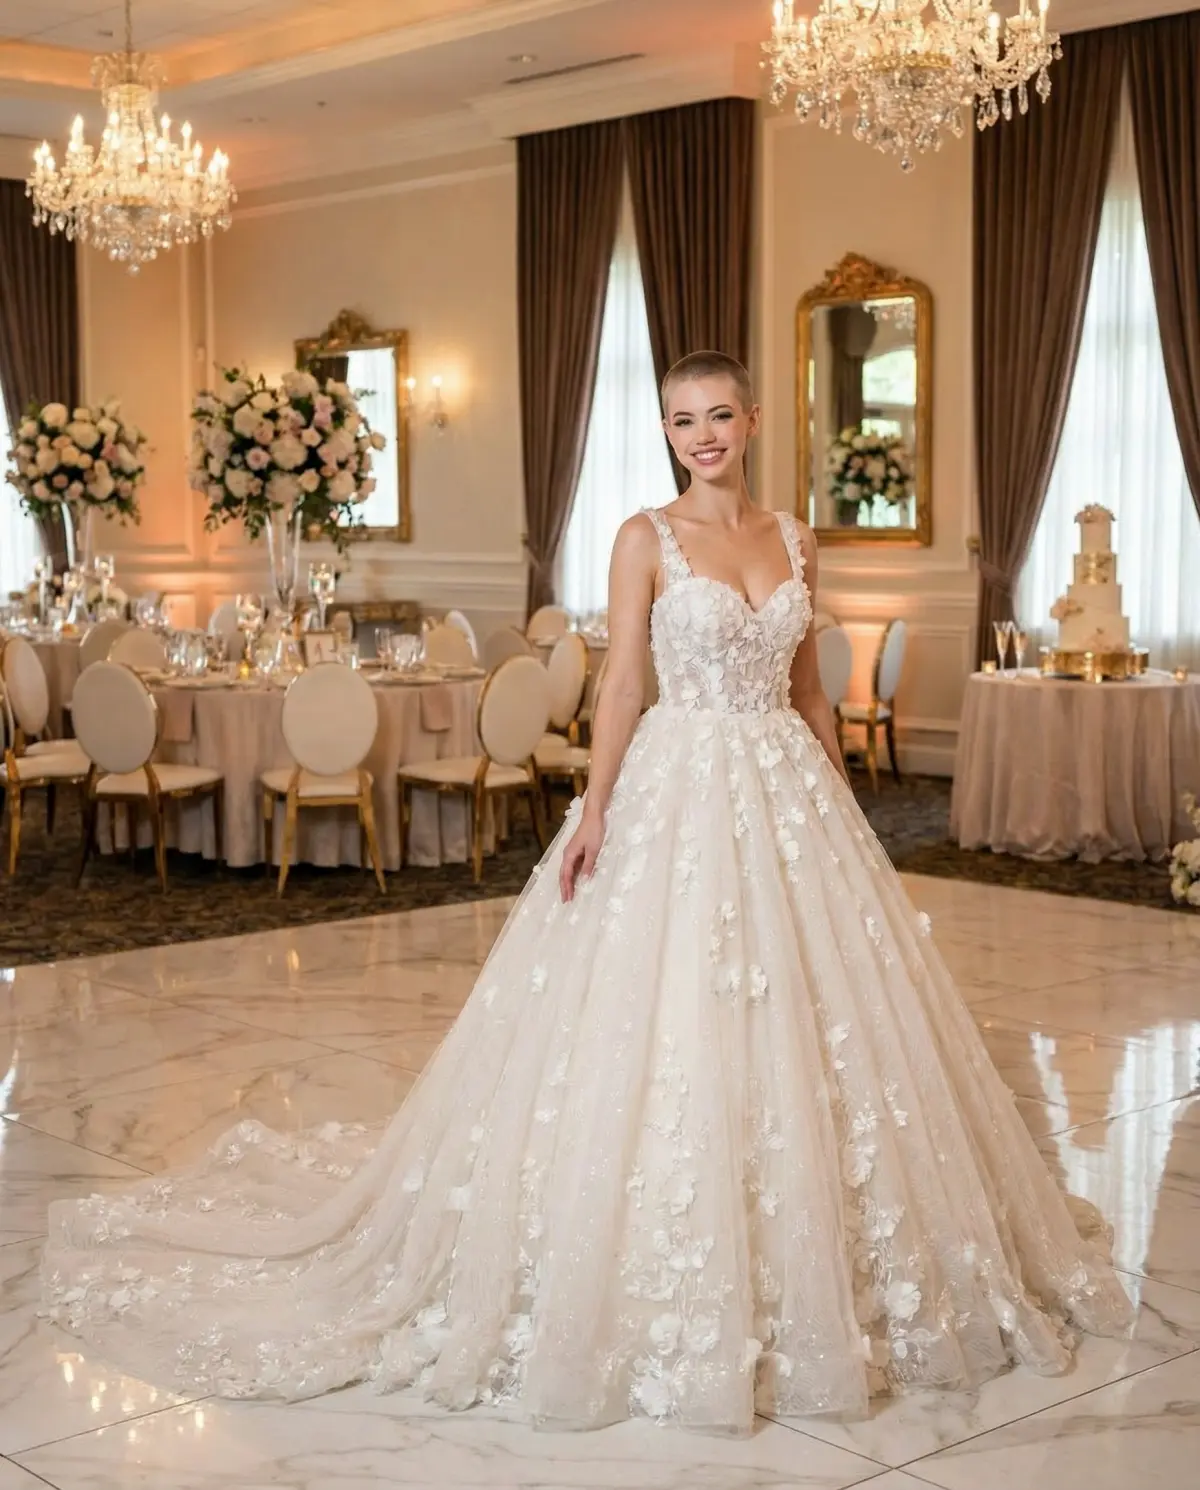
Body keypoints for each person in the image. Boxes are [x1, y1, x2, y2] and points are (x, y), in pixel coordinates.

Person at [42, 352, 1131, 1435]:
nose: (702, 435)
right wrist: (598, 806)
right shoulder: (644, 537)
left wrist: (845, 808)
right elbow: (621, 684)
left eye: (719, 415)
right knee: (667, 1010)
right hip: (679, 783)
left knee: (811, 1015)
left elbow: (808, 691)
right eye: (682, 420)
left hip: (789, 792)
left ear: (753, 419)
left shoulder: (797, 539)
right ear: (668, 431)